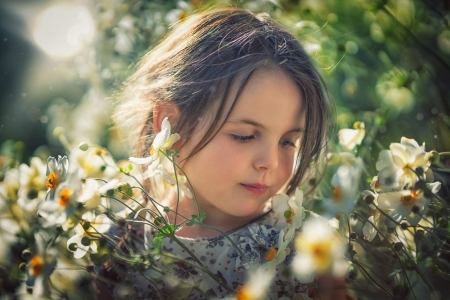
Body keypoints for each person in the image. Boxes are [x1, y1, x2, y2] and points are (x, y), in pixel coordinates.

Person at [104, 7, 345, 300]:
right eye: (244, 136)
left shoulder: (309, 250)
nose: (269, 162)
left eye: (288, 142)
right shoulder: (117, 246)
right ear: (169, 123)